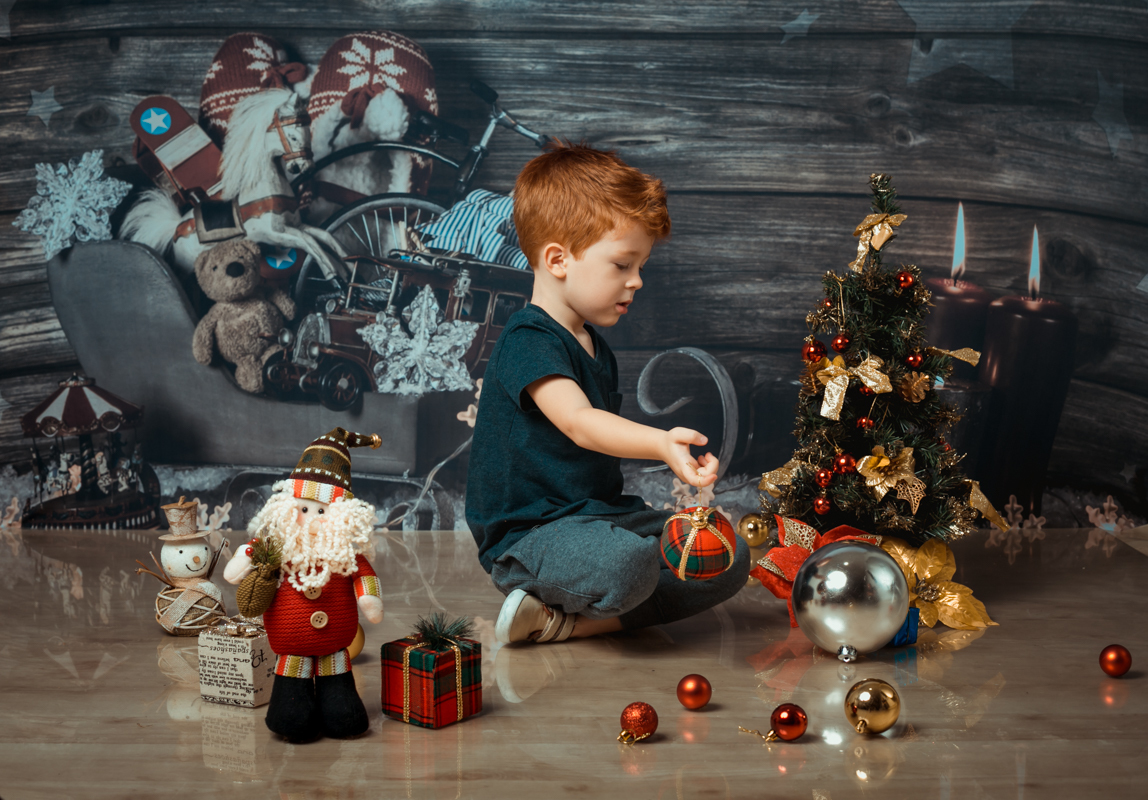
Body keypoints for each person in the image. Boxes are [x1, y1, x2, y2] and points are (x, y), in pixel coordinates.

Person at [466, 142, 750, 646]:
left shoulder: (594, 345)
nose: (636, 281)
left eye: (639, 266)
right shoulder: (528, 340)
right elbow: (579, 421)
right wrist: (661, 443)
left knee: (725, 555)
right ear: (558, 259)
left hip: (600, 516)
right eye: (622, 265)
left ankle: (566, 625)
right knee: (630, 566)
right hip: (531, 533)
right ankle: (536, 585)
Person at [223, 428, 385, 740]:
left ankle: (341, 712)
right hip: (291, 645)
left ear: (341, 514)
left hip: (336, 645)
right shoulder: (278, 543)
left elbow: (364, 575)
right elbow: (251, 552)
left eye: (321, 511)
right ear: (287, 506)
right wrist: (244, 557)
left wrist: (370, 600)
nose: (311, 518)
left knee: (339, 693)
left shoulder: (343, 553)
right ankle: (290, 716)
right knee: (291, 694)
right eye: (304, 509)